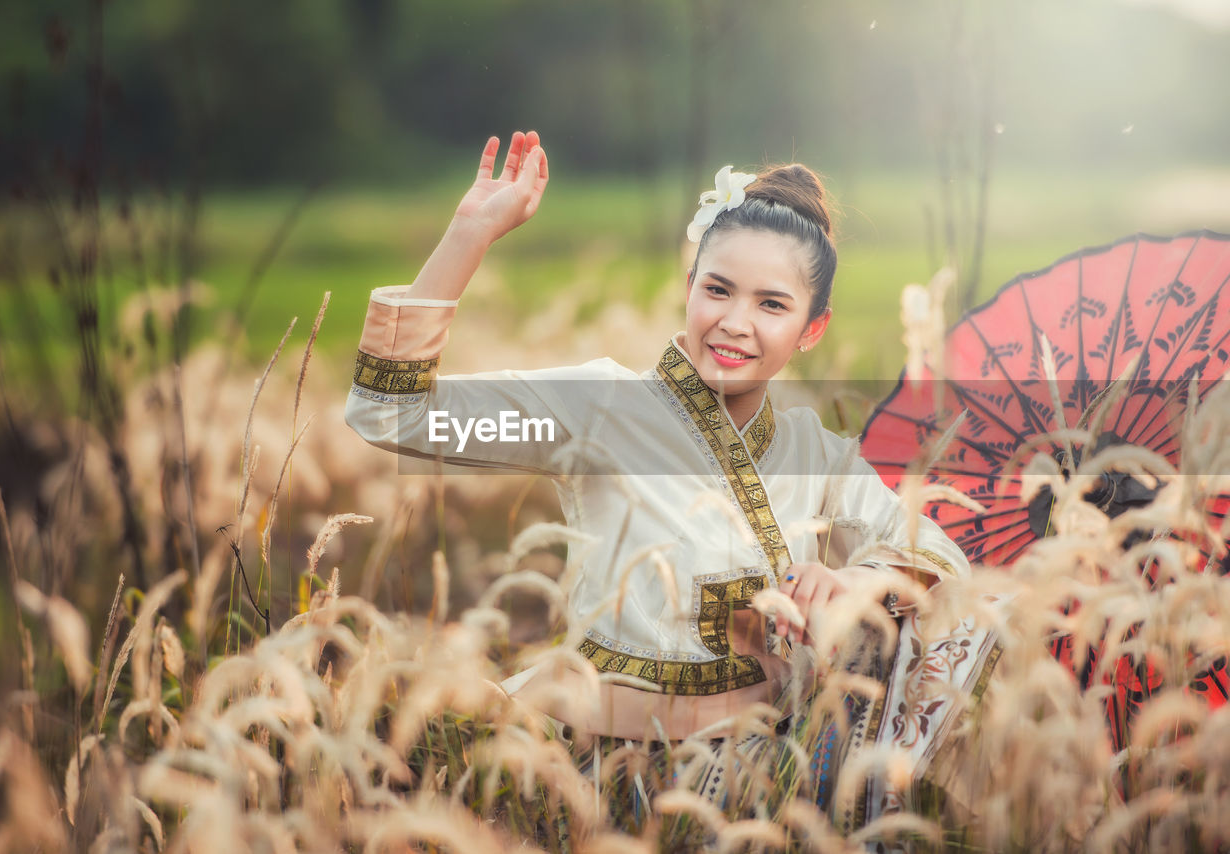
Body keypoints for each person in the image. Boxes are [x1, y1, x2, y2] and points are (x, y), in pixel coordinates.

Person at [345, 131, 1000, 833]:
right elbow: (395, 413)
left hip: (757, 791)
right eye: (717, 290)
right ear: (690, 288)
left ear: (813, 328)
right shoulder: (597, 412)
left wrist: (857, 584)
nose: (735, 323)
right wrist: (469, 234)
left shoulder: (817, 451)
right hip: (596, 782)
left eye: (772, 305)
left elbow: (933, 550)